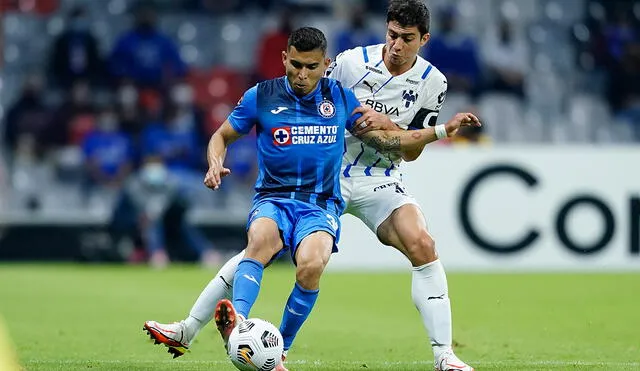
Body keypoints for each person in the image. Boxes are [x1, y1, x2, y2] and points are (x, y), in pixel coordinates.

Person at [144, 2, 480, 370]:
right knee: (258, 249)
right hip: (327, 174)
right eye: (392, 35)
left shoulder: (434, 83)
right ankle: (191, 329)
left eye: (407, 39)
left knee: (422, 244)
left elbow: (409, 154)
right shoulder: (351, 62)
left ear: (424, 39)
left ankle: (444, 355)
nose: (397, 45)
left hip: (378, 178)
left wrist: (403, 127)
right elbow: (309, 92)